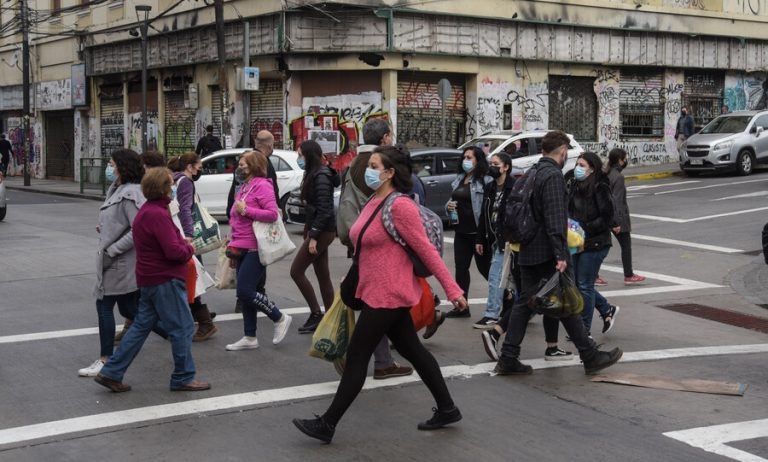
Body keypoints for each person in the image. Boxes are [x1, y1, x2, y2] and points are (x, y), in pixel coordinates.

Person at [292, 145, 469, 444]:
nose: (368, 170)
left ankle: (327, 423)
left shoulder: (401, 206)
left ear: (389, 172)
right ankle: (448, 408)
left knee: (358, 356)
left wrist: (453, 290)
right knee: (414, 351)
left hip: (389, 293)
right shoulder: (375, 199)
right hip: (377, 291)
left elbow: (426, 250)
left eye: (374, 165)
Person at [493, 130, 623, 376]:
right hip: (546, 252)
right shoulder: (552, 176)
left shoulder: (532, 171)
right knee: (566, 303)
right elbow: (554, 219)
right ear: (563, 150)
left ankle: (509, 357)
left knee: (526, 304)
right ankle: (590, 355)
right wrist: (561, 254)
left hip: (528, 249)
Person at [94, 167, 210, 392]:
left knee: (140, 326)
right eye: (171, 185)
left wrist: (180, 243)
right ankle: (183, 376)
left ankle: (111, 371)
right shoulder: (157, 214)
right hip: (164, 279)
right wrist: (189, 247)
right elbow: (173, 252)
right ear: (164, 188)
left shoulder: (147, 211)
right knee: (183, 327)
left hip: (149, 278)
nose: (174, 188)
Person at [336, 118, 414, 379]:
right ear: (383, 140)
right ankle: (356, 356)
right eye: (390, 135)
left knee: (377, 305)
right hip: (378, 245)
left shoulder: (355, 166)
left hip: (362, 241)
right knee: (378, 304)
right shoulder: (379, 167)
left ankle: (382, 360)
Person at [78, 149, 167, 377]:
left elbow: (139, 228)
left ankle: (105, 358)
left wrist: (113, 249)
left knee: (104, 305)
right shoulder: (119, 188)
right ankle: (175, 332)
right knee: (131, 309)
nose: (109, 168)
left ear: (122, 166)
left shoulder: (131, 193)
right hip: (119, 261)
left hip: (120, 262)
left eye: (112, 164)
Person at [225, 151, 292, 351]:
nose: (239, 167)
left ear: (254, 166)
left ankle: (279, 317)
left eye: (243, 164)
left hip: (256, 247)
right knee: (246, 295)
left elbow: (272, 214)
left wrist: (247, 210)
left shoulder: (262, 185)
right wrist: (232, 248)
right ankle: (250, 336)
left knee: (244, 290)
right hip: (241, 246)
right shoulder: (244, 186)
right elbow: (235, 219)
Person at [565, 152, 619, 335]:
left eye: (582, 165)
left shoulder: (600, 186)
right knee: (578, 284)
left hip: (596, 243)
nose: (578, 168)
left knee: (585, 285)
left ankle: (583, 329)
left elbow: (607, 216)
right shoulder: (575, 184)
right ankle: (606, 309)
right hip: (578, 242)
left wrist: (585, 228)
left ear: (592, 168)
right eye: (577, 164)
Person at [167, 153, 218, 341]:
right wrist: (188, 235)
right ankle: (201, 320)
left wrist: (187, 236)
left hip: (182, 235)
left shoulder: (179, 181)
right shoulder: (184, 182)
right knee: (190, 280)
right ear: (189, 166)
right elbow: (186, 209)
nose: (200, 169)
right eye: (199, 166)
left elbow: (184, 209)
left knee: (190, 280)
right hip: (184, 235)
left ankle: (202, 322)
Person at [292, 140, 339, 334]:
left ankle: (316, 313)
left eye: (300, 155)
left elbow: (325, 209)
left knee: (296, 271)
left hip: (322, 231)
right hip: (317, 229)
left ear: (309, 155)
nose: (298, 158)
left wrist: (313, 237)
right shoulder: (314, 173)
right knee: (322, 274)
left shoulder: (321, 175)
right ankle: (330, 318)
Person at [445, 146, 492, 318]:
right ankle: (462, 307)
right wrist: (449, 208)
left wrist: (483, 235)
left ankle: (509, 299)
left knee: (486, 270)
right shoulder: (459, 179)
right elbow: (451, 202)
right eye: (464, 157)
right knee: (461, 269)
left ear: (478, 160)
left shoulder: (485, 181)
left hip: (477, 235)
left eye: (470, 157)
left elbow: (487, 210)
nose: (466, 160)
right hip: (461, 232)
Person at [473, 152, 515, 328]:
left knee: (496, 277)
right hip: (494, 239)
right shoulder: (490, 187)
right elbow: (484, 214)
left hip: (508, 240)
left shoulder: (513, 187)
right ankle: (516, 308)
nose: (492, 167)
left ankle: (492, 314)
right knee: (503, 278)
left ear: (506, 167)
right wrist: (480, 238)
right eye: (491, 163)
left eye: (496, 164)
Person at [606, 148, 645, 286]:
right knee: (626, 245)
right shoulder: (618, 177)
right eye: (624, 159)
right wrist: (617, 222)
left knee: (601, 247)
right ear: (619, 160)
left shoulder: (608, 173)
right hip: (617, 218)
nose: (626, 161)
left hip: (607, 216)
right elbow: (616, 201)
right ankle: (628, 274)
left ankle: (594, 274)